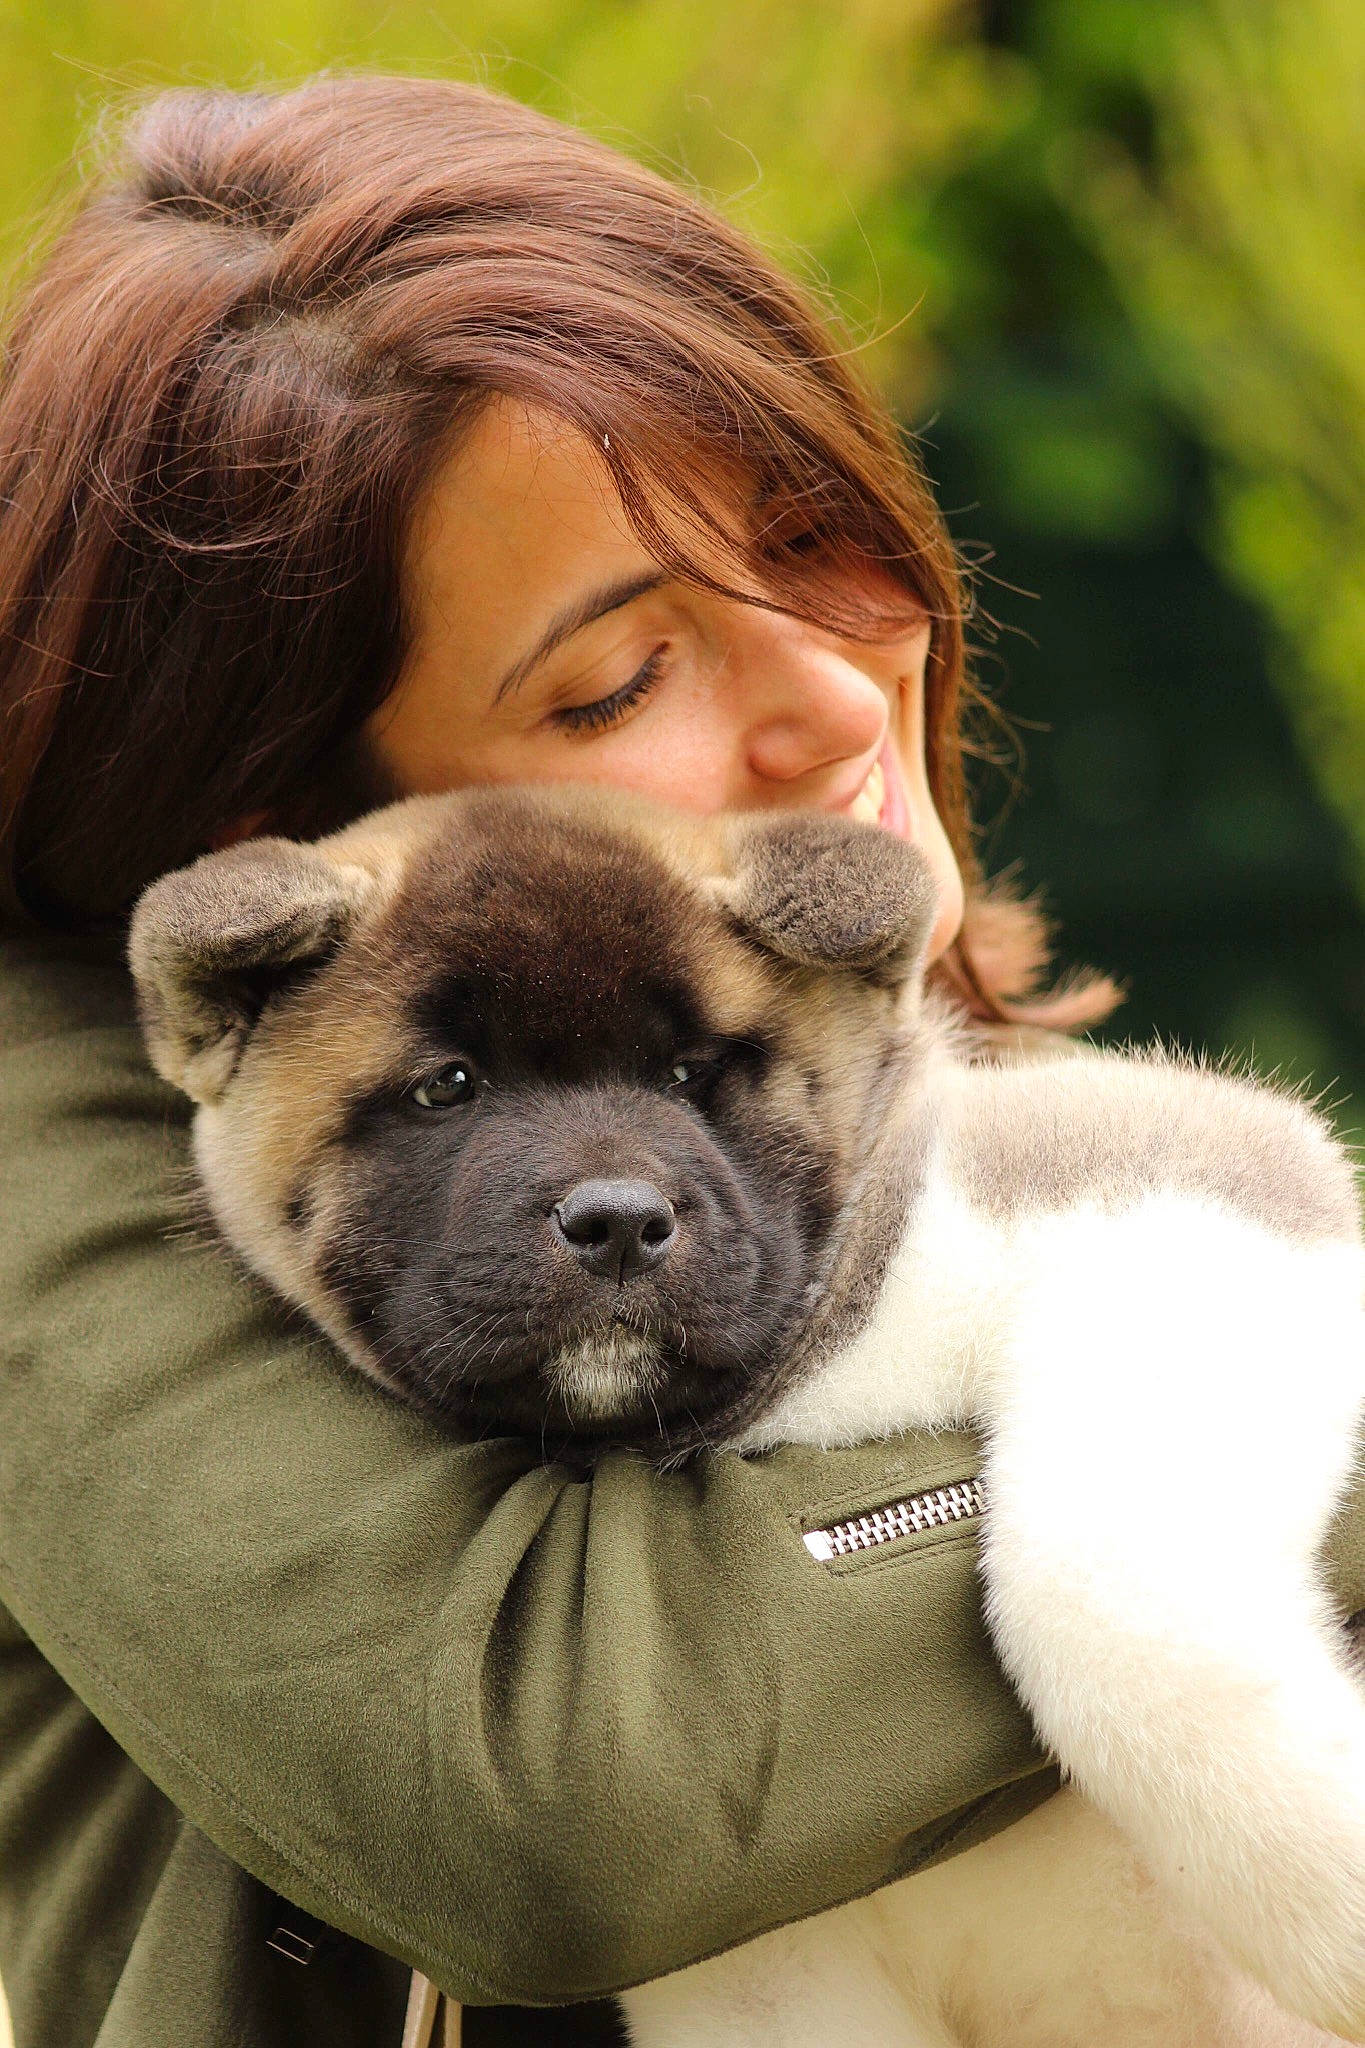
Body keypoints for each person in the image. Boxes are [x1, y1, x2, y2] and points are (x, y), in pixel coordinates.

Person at [0, 74, 1360, 2048]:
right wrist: (1217, 1437)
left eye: (818, 531)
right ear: (274, 838)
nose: (832, 689)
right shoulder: (72, 1129)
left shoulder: (923, 1106)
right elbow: (561, 1786)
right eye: (614, 673)